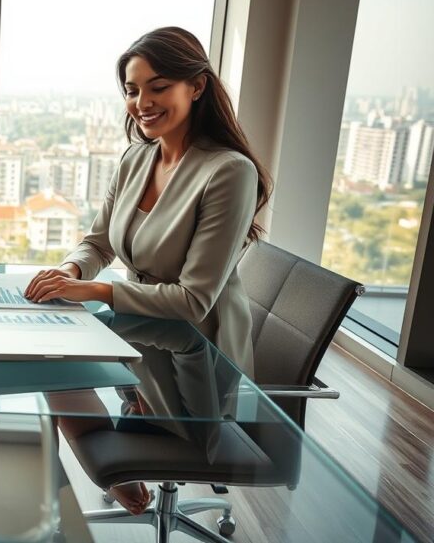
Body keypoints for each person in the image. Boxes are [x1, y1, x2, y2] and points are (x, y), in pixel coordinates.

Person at [25, 26, 272, 513]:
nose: (142, 102)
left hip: (197, 352)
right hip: (143, 336)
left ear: (196, 87)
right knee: (42, 347)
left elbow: (193, 301)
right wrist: (71, 271)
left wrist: (92, 291)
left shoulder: (228, 171)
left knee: (48, 357)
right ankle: (97, 476)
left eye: (158, 87)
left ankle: (98, 484)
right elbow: (98, 241)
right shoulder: (137, 158)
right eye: (133, 90)